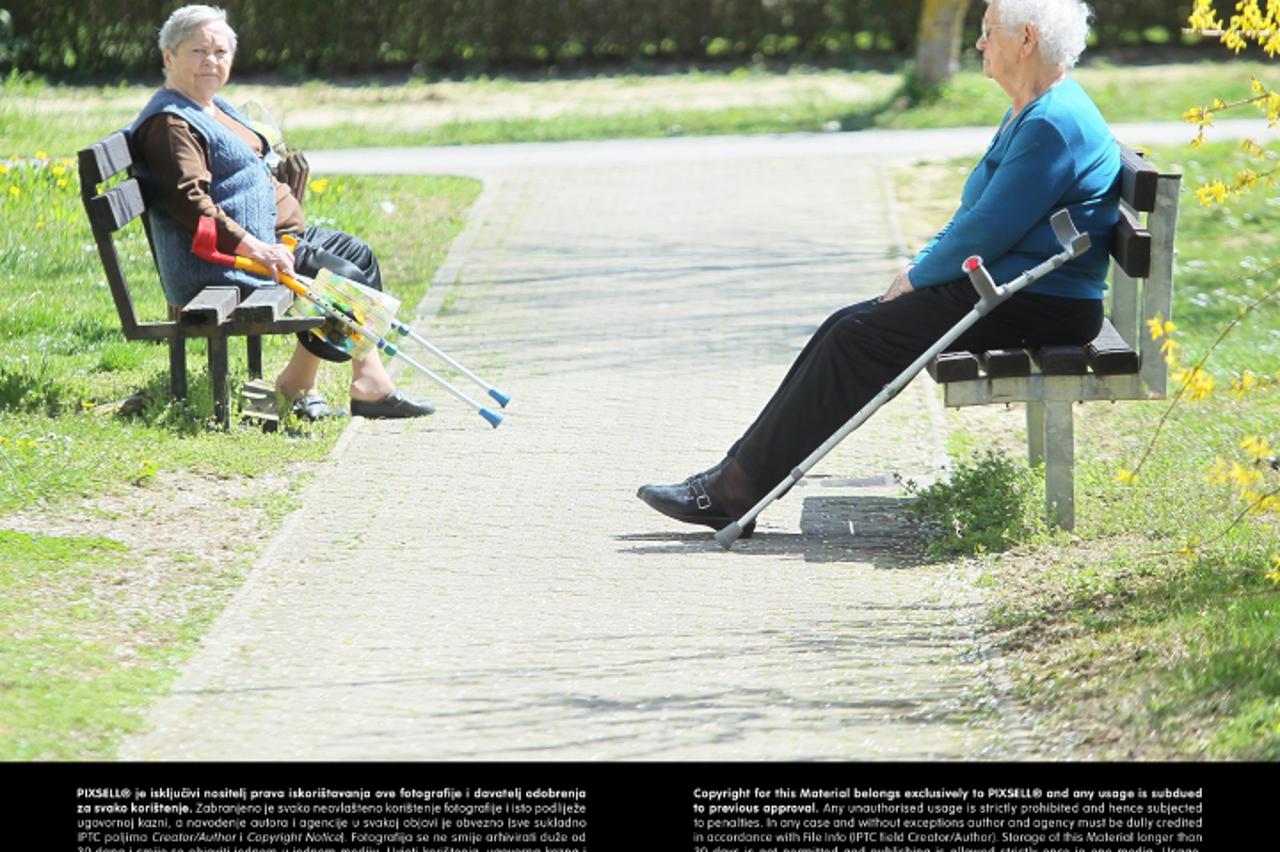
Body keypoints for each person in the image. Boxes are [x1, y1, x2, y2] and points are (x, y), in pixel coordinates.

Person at [637, 0, 1119, 536]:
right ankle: (733, 479)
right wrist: (923, 265)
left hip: (1043, 303)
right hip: (1018, 289)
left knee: (855, 338)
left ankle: (735, 490)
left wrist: (917, 277)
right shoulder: (1036, 110)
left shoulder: (1051, 122)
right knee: (845, 327)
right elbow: (978, 217)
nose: (980, 43)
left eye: (987, 32)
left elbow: (987, 230)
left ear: (1026, 38)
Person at [130, 4, 433, 420]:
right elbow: (192, 206)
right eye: (199, 52)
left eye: (220, 53)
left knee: (357, 253)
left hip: (269, 243)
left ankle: (330, 382)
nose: (211, 62)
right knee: (341, 279)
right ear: (169, 56)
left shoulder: (213, 107)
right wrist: (259, 248)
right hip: (222, 264)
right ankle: (337, 387)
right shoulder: (171, 124)